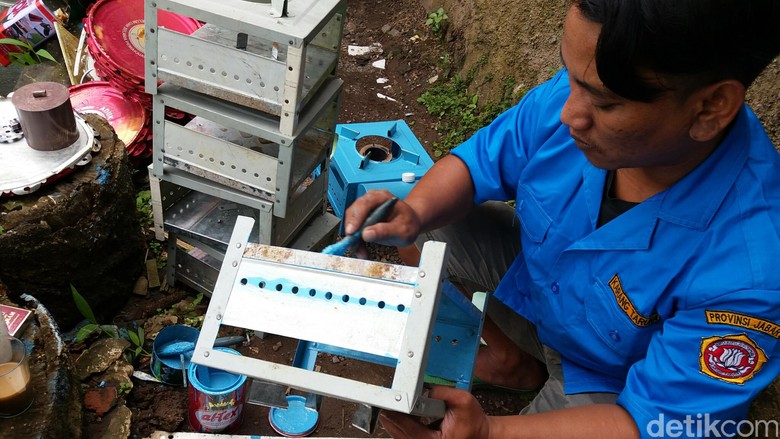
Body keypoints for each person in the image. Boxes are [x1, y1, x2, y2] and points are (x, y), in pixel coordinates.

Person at [343, 1, 780, 437]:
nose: (570, 113)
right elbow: (476, 167)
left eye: (606, 103)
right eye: (571, 77)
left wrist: (491, 433)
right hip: (542, 297)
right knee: (434, 221)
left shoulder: (751, 268)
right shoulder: (583, 92)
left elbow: (655, 423)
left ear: (711, 107)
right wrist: (413, 211)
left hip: (608, 388)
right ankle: (511, 360)